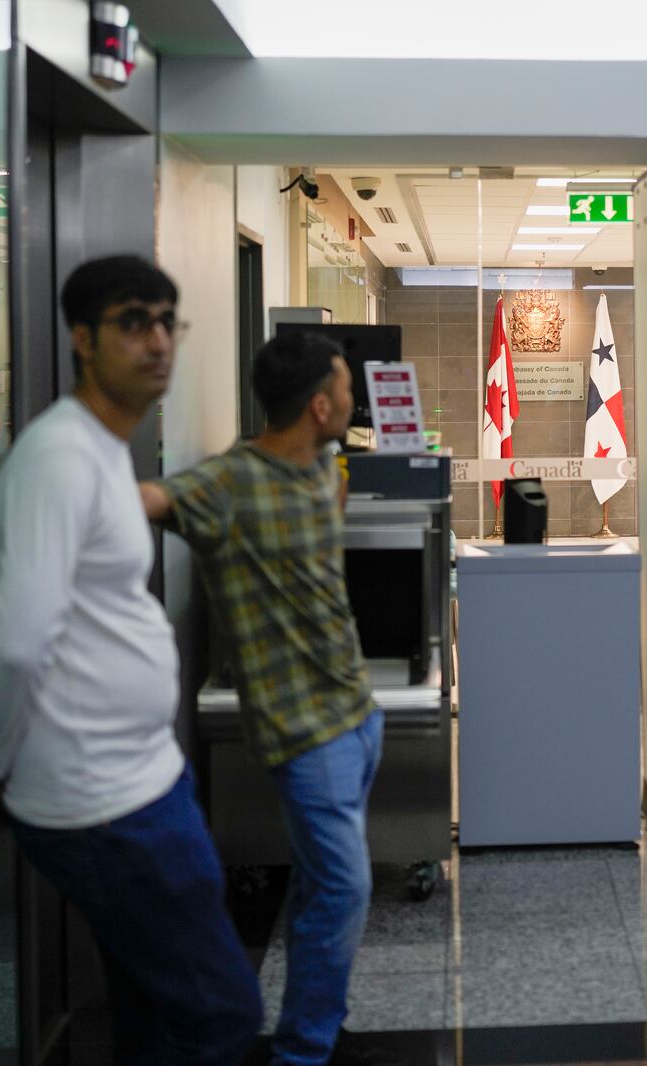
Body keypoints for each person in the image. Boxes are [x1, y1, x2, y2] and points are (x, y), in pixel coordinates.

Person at [0, 256, 262, 1062]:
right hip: (104, 802)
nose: (159, 341)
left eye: (169, 321)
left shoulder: (105, 450)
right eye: (135, 322)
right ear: (81, 337)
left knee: (153, 1012)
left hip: (139, 779)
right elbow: (19, 638)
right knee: (220, 1016)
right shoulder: (60, 458)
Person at [140, 331, 381, 1066]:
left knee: (316, 891)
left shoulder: (323, 467)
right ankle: (304, 1053)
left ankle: (319, 1021)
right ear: (318, 404)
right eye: (344, 387)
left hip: (355, 716)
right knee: (345, 888)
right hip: (302, 733)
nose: (353, 398)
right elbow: (141, 500)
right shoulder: (227, 483)